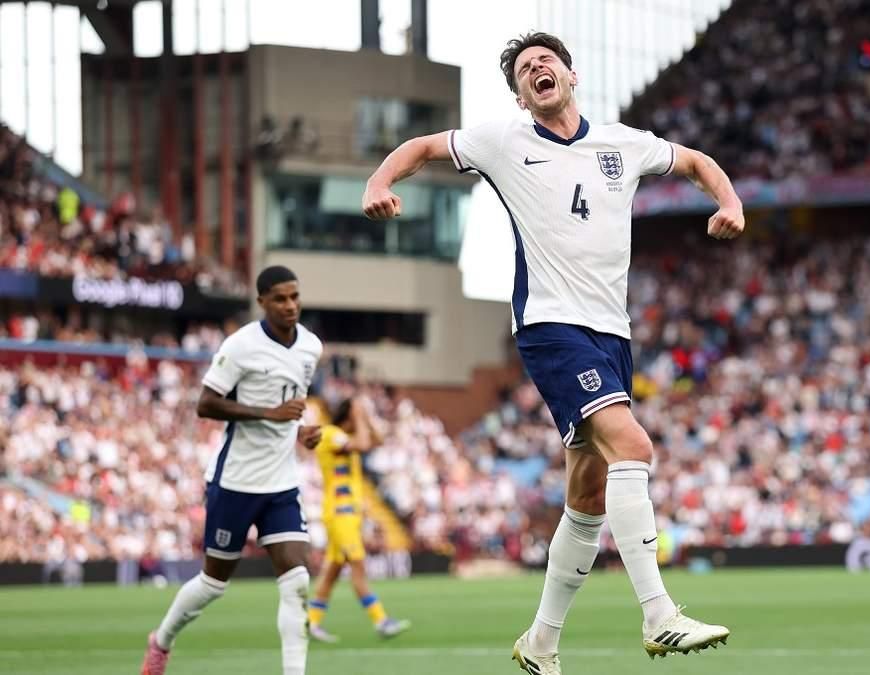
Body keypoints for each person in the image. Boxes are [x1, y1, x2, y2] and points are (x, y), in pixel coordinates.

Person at [362, 30, 743, 675]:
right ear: (519, 94)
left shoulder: (622, 143)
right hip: (550, 324)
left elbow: (697, 161)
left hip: (611, 332)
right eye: (524, 70)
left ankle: (540, 643)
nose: (536, 70)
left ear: (571, 75)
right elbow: (425, 146)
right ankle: (659, 615)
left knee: (588, 498)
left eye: (546, 62)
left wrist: (729, 201)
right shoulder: (503, 143)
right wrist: (379, 179)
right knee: (634, 448)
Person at [141, 266, 324, 675]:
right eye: (280, 298)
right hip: (236, 481)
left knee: (297, 583)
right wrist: (270, 414)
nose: (290, 305)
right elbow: (206, 404)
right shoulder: (241, 346)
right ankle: (161, 641)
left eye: (295, 296)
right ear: (261, 302)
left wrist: (301, 432)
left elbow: (288, 404)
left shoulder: (311, 347)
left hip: (282, 483)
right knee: (212, 584)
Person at [308, 396, 410, 642]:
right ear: (348, 417)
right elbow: (364, 444)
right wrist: (359, 415)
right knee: (358, 568)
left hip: (348, 514)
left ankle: (310, 622)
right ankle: (381, 620)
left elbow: (377, 441)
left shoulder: (345, 438)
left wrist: (364, 416)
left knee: (332, 572)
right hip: (340, 513)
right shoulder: (330, 434)